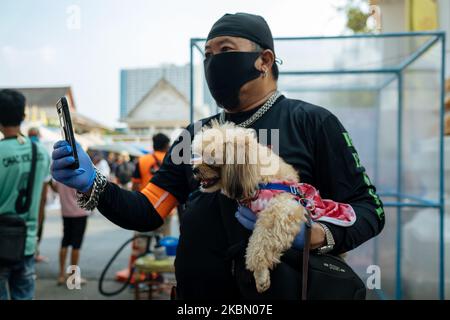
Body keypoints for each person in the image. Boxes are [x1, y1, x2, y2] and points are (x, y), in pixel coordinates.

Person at [51, 13, 385, 299]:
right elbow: (148, 210)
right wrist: (93, 182)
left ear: (264, 60)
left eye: (225, 50)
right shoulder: (193, 136)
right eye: (208, 54)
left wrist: (316, 235)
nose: (213, 61)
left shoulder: (312, 122)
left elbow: (369, 209)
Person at [0, 89, 51, 300]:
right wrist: (35, 237)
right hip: (27, 243)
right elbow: (42, 201)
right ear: (23, 116)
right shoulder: (40, 152)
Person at [49, 180, 89, 285]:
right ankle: (73, 276)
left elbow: (56, 189)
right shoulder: (78, 174)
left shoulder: (61, 176)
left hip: (66, 212)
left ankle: (61, 274)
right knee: (76, 245)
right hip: (80, 212)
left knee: (65, 242)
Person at [28, 127, 50, 263]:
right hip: (37, 201)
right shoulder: (43, 152)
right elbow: (45, 185)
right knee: (37, 227)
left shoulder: (22, 149)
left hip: (22, 201)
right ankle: (34, 253)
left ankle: (32, 253)